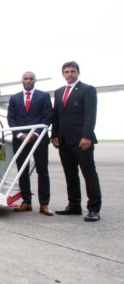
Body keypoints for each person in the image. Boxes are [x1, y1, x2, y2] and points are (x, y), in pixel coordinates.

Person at [51, 61, 101, 222]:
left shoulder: (87, 90)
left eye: (73, 71)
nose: (70, 74)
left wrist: (86, 136)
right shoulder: (58, 92)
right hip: (64, 141)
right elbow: (57, 116)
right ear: (63, 74)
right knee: (70, 174)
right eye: (66, 71)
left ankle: (94, 209)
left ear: (78, 72)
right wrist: (54, 135)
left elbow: (90, 114)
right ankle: (74, 206)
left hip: (81, 140)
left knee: (89, 174)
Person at [7, 71, 54, 216]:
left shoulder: (44, 96)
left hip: (38, 139)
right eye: (26, 79)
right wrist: (20, 135)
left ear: (35, 80)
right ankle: (26, 201)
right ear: (22, 80)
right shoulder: (14, 98)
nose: (28, 81)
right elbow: (11, 118)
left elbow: (48, 116)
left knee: (42, 171)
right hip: (20, 139)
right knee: (22, 171)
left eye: (31, 79)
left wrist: (35, 134)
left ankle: (44, 204)